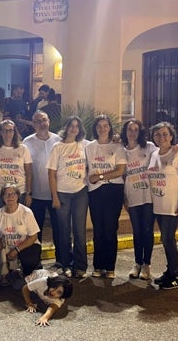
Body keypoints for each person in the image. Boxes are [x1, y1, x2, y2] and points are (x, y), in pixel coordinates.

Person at [149, 122, 178, 290]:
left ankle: (175, 275)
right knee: (165, 239)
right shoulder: (154, 154)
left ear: (171, 136)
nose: (162, 138)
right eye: (158, 135)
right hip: (158, 205)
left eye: (165, 134)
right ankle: (169, 271)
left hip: (172, 205)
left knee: (168, 238)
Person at [47, 115, 90, 279]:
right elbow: (51, 174)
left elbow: (102, 146)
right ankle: (65, 264)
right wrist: (54, 196)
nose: (74, 128)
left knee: (79, 231)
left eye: (77, 126)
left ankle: (80, 265)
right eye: (71, 125)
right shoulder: (57, 147)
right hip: (62, 193)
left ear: (80, 129)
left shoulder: (84, 145)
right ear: (66, 127)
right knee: (64, 231)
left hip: (80, 192)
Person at [85, 115, 127, 279]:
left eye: (105, 125)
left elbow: (120, 170)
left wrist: (101, 177)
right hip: (95, 192)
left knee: (110, 228)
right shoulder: (89, 147)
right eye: (99, 126)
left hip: (113, 190)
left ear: (110, 127)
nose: (102, 129)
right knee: (98, 229)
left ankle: (110, 267)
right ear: (95, 129)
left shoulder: (117, 146)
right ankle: (98, 265)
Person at [121, 119, 158, 280]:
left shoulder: (149, 147)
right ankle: (137, 263)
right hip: (132, 196)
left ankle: (146, 265)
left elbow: (164, 153)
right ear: (125, 131)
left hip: (149, 196)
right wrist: (124, 199)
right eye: (130, 129)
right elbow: (122, 176)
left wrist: (177, 149)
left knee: (147, 231)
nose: (132, 132)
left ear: (140, 132)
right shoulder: (121, 150)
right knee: (137, 231)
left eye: (136, 129)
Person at [23, 111, 61, 264]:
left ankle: (62, 260)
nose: (42, 123)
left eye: (44, 120)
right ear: (33, 124)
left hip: (56, 194)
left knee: (59, 229)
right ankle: (35, 262)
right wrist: (28, 192)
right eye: (38, 121)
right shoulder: (27, 142)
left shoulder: (59, 140)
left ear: (49, 121)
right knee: (35, 231)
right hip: (35, 195)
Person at [0, 184, 41, 285]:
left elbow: (34, 236)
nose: (10, 197)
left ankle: (28, 271)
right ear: (2, 197)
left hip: (25, 246)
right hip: (7, 247)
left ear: (18, 196)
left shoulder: (26, 212)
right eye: (6, 194)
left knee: (29, 260)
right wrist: (3, 254)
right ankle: (8, 273)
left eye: (13, 194)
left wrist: (16, 251)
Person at [0, 119, 33, 210]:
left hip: (19, 191)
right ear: (0, 133)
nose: (8, 133)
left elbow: (29, 173)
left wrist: (29, 193)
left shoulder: (23, 149)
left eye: (10, 130)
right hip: (0, 192)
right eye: (5, 130)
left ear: (15, 132)